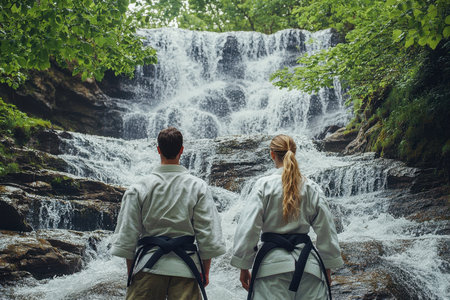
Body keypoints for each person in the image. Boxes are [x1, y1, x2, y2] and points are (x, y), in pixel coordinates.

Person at [111, 127, 226, 300]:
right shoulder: (198, 187)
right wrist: (204, 271)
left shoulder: (139, 187)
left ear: (158, 150)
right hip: (186, 269)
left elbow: (128, 235)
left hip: (147, 267)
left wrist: (132, 271)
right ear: (181, 150)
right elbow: (208, 234)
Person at [231, 134, 344, 300]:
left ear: (272, 154)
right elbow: (327, 231)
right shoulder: (312, 188)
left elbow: (249, 228)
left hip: (271, 270)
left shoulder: (263, 186)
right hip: (309, 268)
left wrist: (243, 265)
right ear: (295, 153)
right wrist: (327, 267)